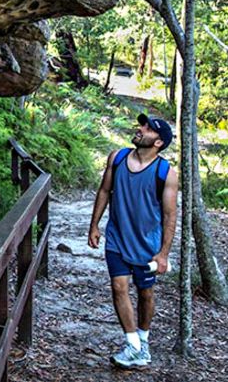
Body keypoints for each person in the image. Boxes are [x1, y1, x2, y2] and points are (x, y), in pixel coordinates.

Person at [87, 114, 178, 369]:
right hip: (117, 236)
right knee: (118, 287)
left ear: (158, 142)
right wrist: (94, 225)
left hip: (147, 244)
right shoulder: (117, 158)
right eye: (142, 125)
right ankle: (133, 346)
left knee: (145, 293)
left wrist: (163, 254)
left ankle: (143, 339)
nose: (140, 129)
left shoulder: (166, 173)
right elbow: (105, 190)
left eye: (147, 129)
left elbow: (170, 216)